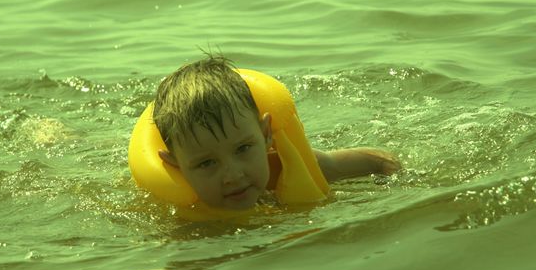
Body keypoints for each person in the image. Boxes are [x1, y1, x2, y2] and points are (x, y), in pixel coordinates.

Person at [142, 55, 401, 212]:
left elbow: (379, 160)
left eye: (243, 149)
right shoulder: (167, 211)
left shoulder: (291, 167)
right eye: (207, 163)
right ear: (175, 164)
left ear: (265, 134)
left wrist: (398, 187)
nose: (233, 176)